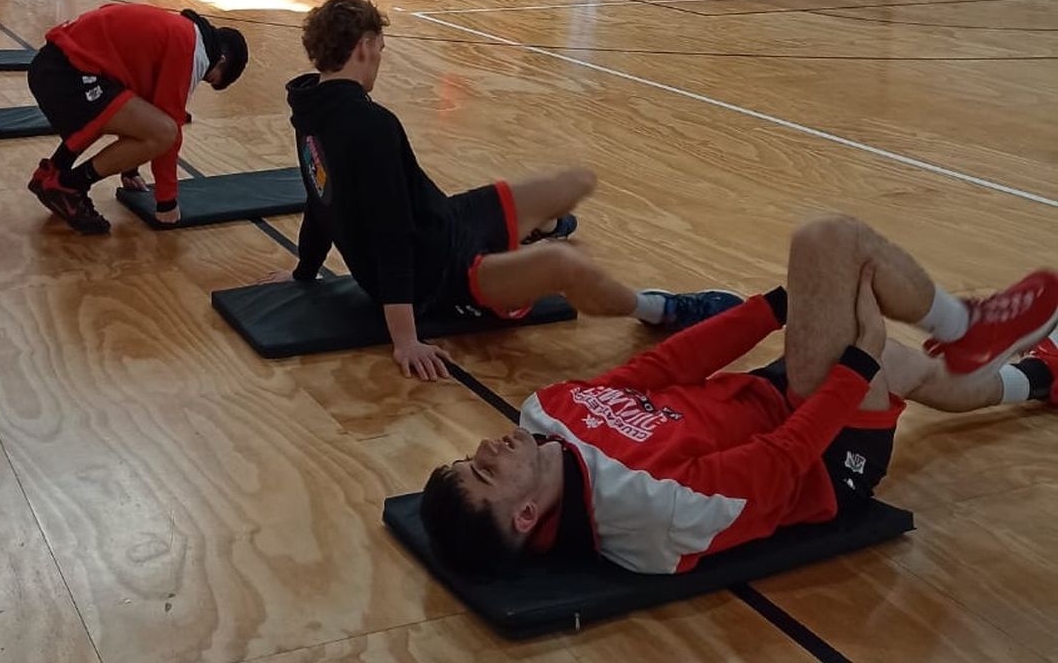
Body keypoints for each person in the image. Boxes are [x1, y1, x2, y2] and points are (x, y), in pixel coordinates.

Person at [419, 216, 1058, 576]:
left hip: (771, 394)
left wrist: (773, 308)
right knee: (829, 247)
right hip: (821, 462)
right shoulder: (647, 515)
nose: (486, 448)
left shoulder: (545, 414)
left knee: (902, 364)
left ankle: (1037, 376)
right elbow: (781, 460)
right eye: (483, 471)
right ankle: (968, 329)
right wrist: (854, 365)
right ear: (525, 517)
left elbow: (664, 364)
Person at [263, 0, 741, 380]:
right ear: (365, 46)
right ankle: (660, 310)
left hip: (445, 220)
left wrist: (305, 271)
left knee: (574, 182)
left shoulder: (311, 107)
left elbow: (317, 192)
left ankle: (531, 234)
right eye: (382, 51)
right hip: (443, 274)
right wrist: (405, 339)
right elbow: (388, 235)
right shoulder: (370, 123)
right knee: (566, 263)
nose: (380, 62)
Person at [26, 4, 249, 234]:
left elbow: (136, 106)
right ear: (220, 60)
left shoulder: (180, 30)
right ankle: (69, 186)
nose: (202, 79)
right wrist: (166, 202)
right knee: (165, 131)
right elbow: (168, 132)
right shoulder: (191, 49)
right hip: (66, 75)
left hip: (55, 67)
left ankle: (52, 172)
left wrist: (130, 169)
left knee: (116, 110)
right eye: (210, 79)